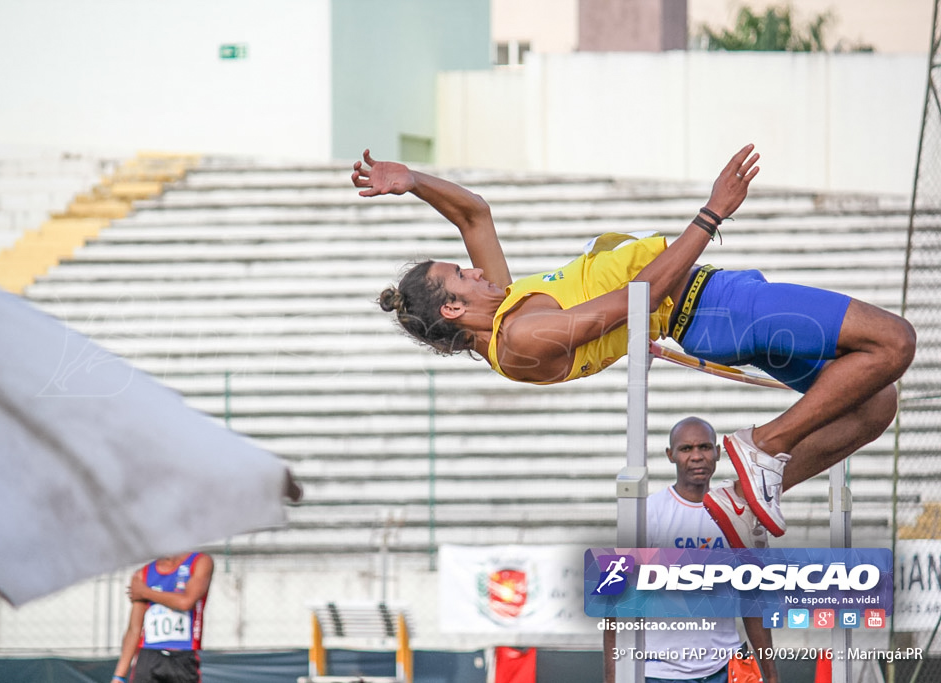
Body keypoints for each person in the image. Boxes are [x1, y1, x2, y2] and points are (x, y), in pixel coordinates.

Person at [352, 145, 916, 547]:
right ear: (452, 308)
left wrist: (413, 181)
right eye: (461, 275)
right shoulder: (521, 336)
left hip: (713, 308)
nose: (477, 271)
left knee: (877, 403)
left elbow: (474, 212)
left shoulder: (504, 305)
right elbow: (636, 300)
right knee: (894, 341)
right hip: (709, 307)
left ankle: (748, 495)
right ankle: (762, 446)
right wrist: (712, 212)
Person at [602, 417, 778, 683]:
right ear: (670, 455)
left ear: (718, 453)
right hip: (658, 672)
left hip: (726, 666)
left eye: (705, 447)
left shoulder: (740, 514)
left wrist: (772, 676)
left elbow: (753, 602)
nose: (697, 456)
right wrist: (612, 678)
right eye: (686, 449)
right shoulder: (648, 512)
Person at [111, 551, 214, 683]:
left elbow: (186, 602)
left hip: (184, 656)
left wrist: (145, 592)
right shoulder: (143, 574)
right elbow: (134, 629)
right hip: (148, 656)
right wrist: (118, 676)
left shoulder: (200, 562)